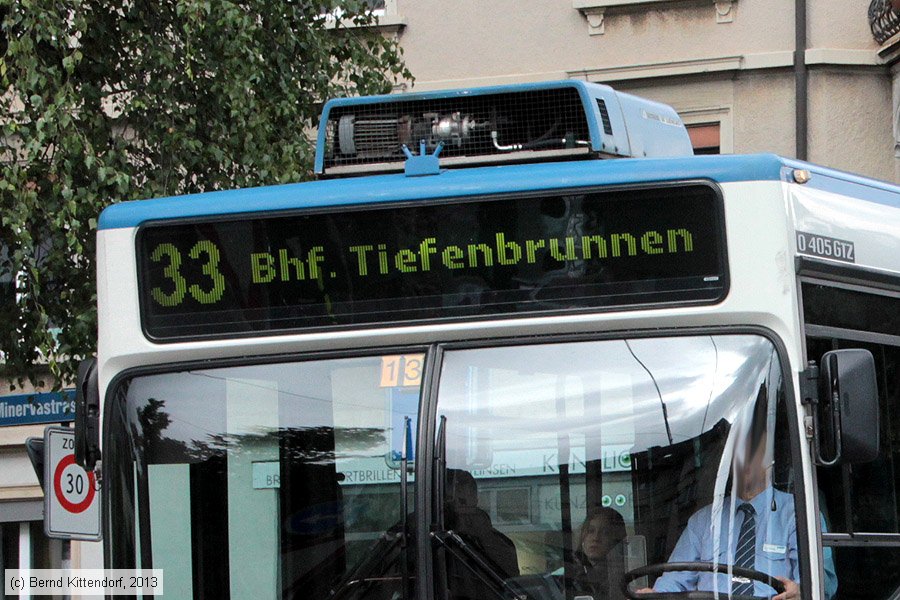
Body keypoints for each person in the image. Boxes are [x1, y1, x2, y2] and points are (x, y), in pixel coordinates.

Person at [641, 422, 838, 600]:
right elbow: (675, 582)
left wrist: (801, 591)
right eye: (737, 452)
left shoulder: (797, 514)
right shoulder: (703, 521)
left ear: (769, 458)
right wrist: (656, 596)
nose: (744, 459)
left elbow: (822, 583)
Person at [572, 507, 628, 600]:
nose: (596, 538)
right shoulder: (569, 574)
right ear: (583, 536)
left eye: (605, 532)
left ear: (616, 539)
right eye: (591, 531)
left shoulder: (625, 576)